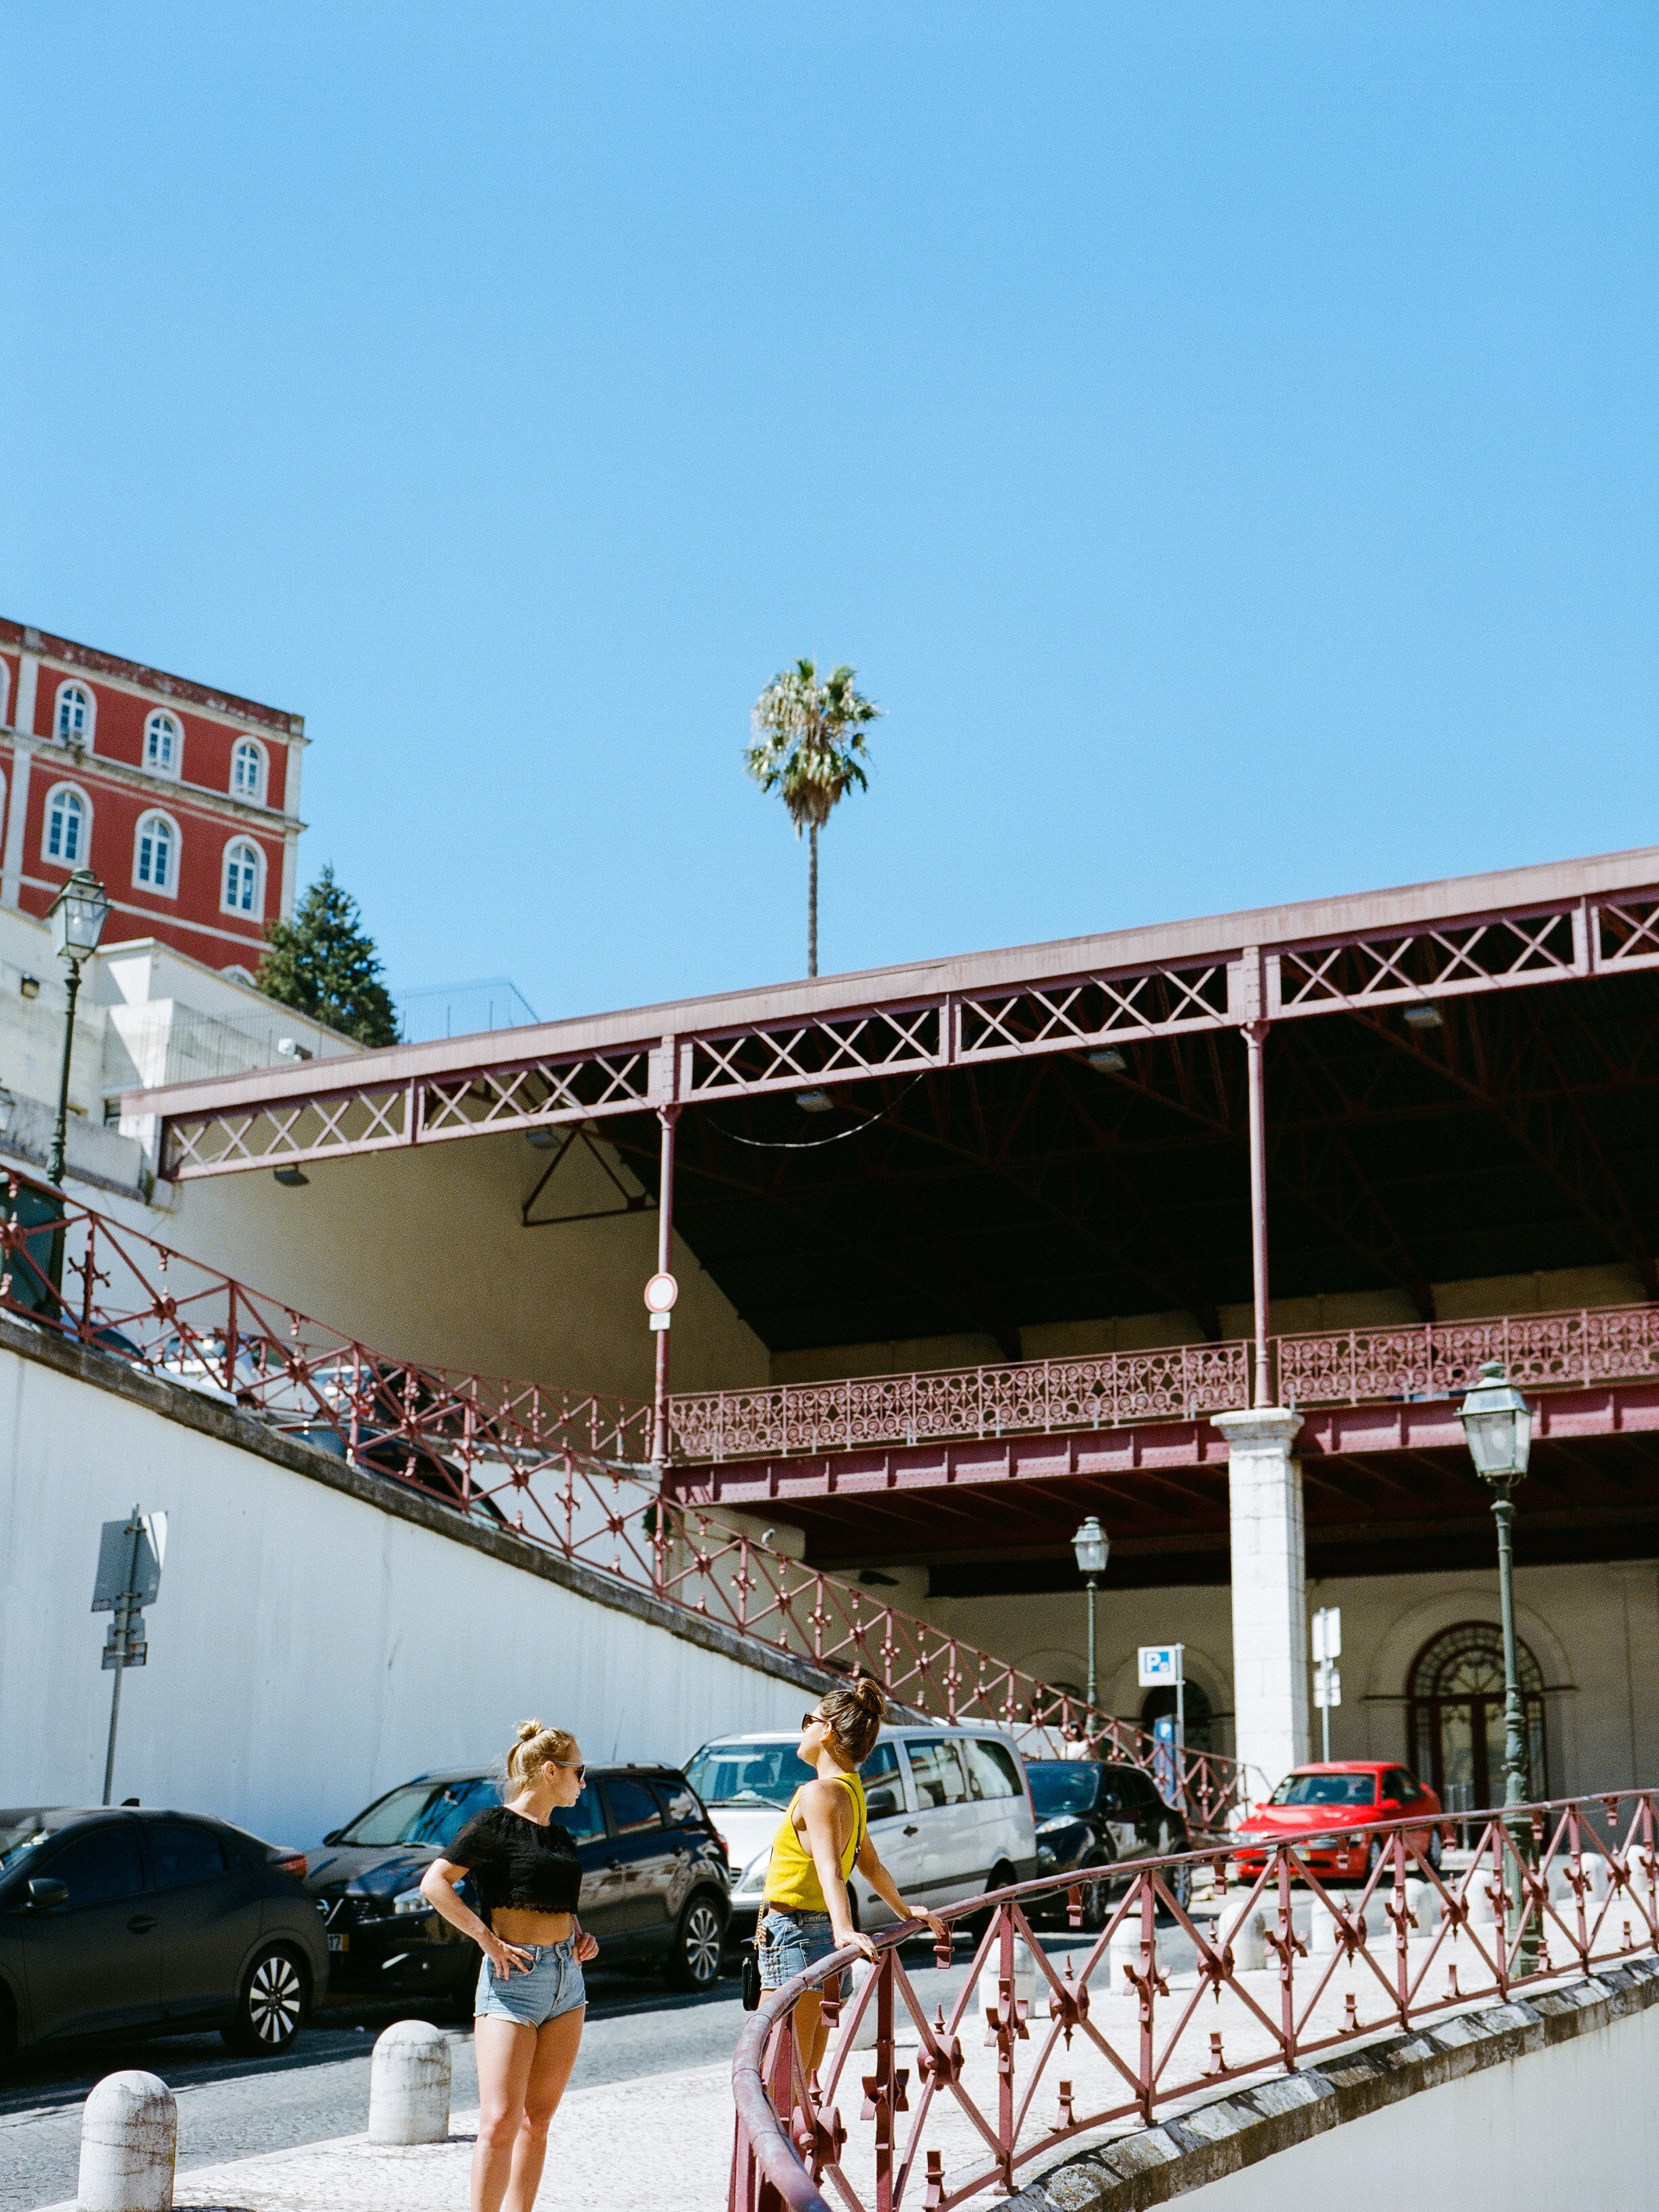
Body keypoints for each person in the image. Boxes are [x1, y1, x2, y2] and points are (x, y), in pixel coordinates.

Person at [421, 1721, 601, 2212]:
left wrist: (580, 1936)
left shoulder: (561, 1836)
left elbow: (560, 1905)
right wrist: (486, 1939)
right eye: (579, 1770)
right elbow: (435, 1883)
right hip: (511, 1983)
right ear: (550, 1771)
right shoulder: (491, 1825)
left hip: (567, 1981)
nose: (584, 1782)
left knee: (537, 2121)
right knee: (499, 2121)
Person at [758, 1680, 950, 2071]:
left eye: (808, 1721)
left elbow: (830, 1868)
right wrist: (902, 1910)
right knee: (802, 2074)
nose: (803, 1729)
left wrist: (844, 1928)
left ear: (826, 1731)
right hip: (818, 1938)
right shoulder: (850, 1790)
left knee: (773, 2073)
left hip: (796, 1936)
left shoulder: (818, 1793)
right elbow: (870, 1865)